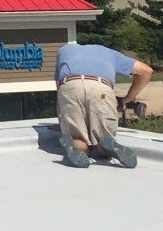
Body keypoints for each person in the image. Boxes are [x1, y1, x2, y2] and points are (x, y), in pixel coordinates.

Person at [54, 40, 153, 169]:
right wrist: (131, 95)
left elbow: (59, 89)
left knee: (77, 138)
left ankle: (76, 146)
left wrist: (63, 121)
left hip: (70, 86)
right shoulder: (110, 53)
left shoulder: (64, 50)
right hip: (101, 88)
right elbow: (146, 71)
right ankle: (104, 145)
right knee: (103, 138)